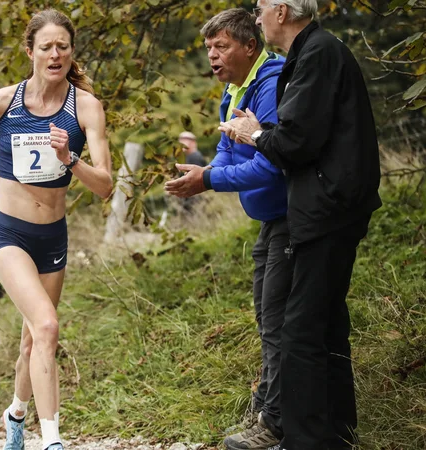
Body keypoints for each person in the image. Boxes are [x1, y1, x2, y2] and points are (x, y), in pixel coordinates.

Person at [0, 9, 113, 450]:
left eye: (63, 46)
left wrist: (71, 160)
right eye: (46, 47)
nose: (55, 54)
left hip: (52, 238)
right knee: (46, 327)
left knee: (31, 342)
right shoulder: (4, 100)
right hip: (9, 235)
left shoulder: (86, 108)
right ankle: (53, 442)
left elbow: (105, 186)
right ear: (30, 52)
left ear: (71, 51)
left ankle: (16, 414)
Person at [220, 1, 382, 448]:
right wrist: (261, 133)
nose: (256, 17)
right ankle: (337, 434)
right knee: (326, 325)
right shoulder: (312, 53)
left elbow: (296, 142)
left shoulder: (317, 53)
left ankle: (306, 439)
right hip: (330, 207)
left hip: (328, 209)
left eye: (260, 8)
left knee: (300, 330)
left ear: (283, 11)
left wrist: (253, 134)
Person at [167, 8, 289, 449]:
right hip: (270, 221)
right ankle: (269, 410)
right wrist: (201, 173)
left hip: (294, 217)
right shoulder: (234, 90)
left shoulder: (271, 83)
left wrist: (209, 180)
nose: (212, 57)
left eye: (221, 47)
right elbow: (225, 149)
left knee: (277, 320)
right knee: (266, 314)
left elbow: (270, 166)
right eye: (208, 49)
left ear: (249, 46)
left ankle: (274, 424)